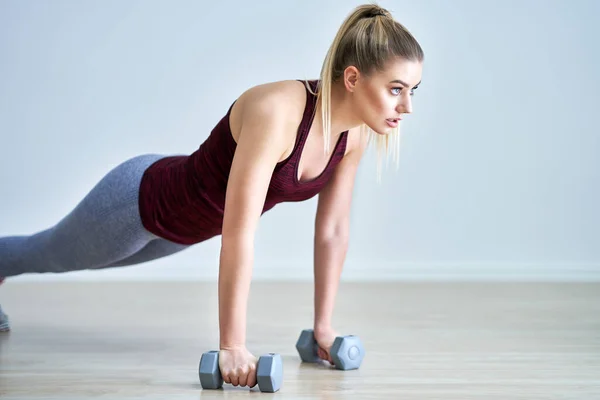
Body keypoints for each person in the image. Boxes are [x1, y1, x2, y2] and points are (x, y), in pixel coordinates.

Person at [0, 3, 423, 389]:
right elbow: (239, 232)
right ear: (353, 77)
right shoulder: (278, 110)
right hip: (140, 201)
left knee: (64, 258)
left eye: (412, 91)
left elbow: (331, 231)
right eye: (396, 89)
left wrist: (323, 329)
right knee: (52, 255)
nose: (407, 108)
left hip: (183, 229)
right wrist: (232, 346)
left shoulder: (353, 139)